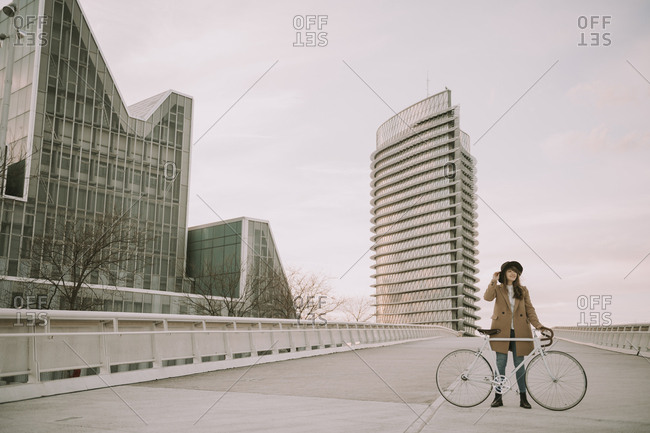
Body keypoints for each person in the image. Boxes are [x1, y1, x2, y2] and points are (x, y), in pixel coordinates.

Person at [483, 260, 548, 409]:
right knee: (501, 363)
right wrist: (493, 280)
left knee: (519, 365)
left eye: (515, 272)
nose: (513, 274)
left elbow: (530, 309)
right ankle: (498, 397)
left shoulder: (523, 290)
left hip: (520, 330)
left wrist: (538, 325)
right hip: (501, 330)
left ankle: (523, 398)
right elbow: (487, 297)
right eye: (510, 271)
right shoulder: (498, 289)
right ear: (504, 274)